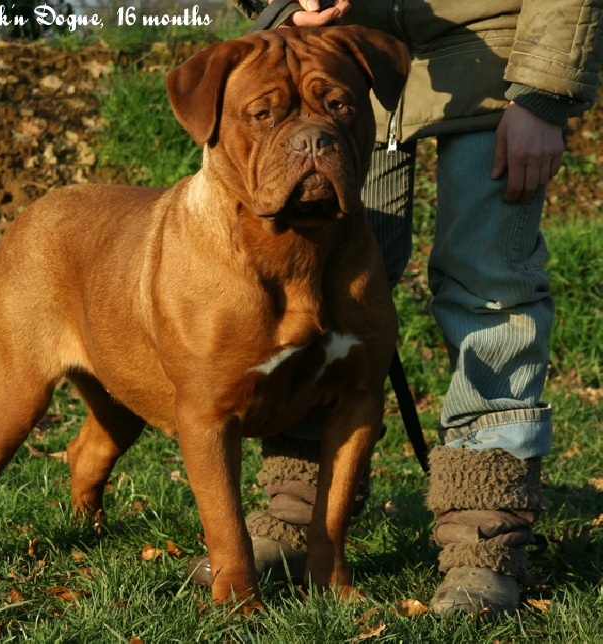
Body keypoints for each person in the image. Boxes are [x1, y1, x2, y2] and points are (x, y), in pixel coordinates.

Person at [187, 0, 603, 616]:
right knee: (313, 302)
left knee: (491, 285)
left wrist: (543, 94)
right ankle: (300, 511)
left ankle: (482, 539)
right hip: (342, 55)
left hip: (496, 48)